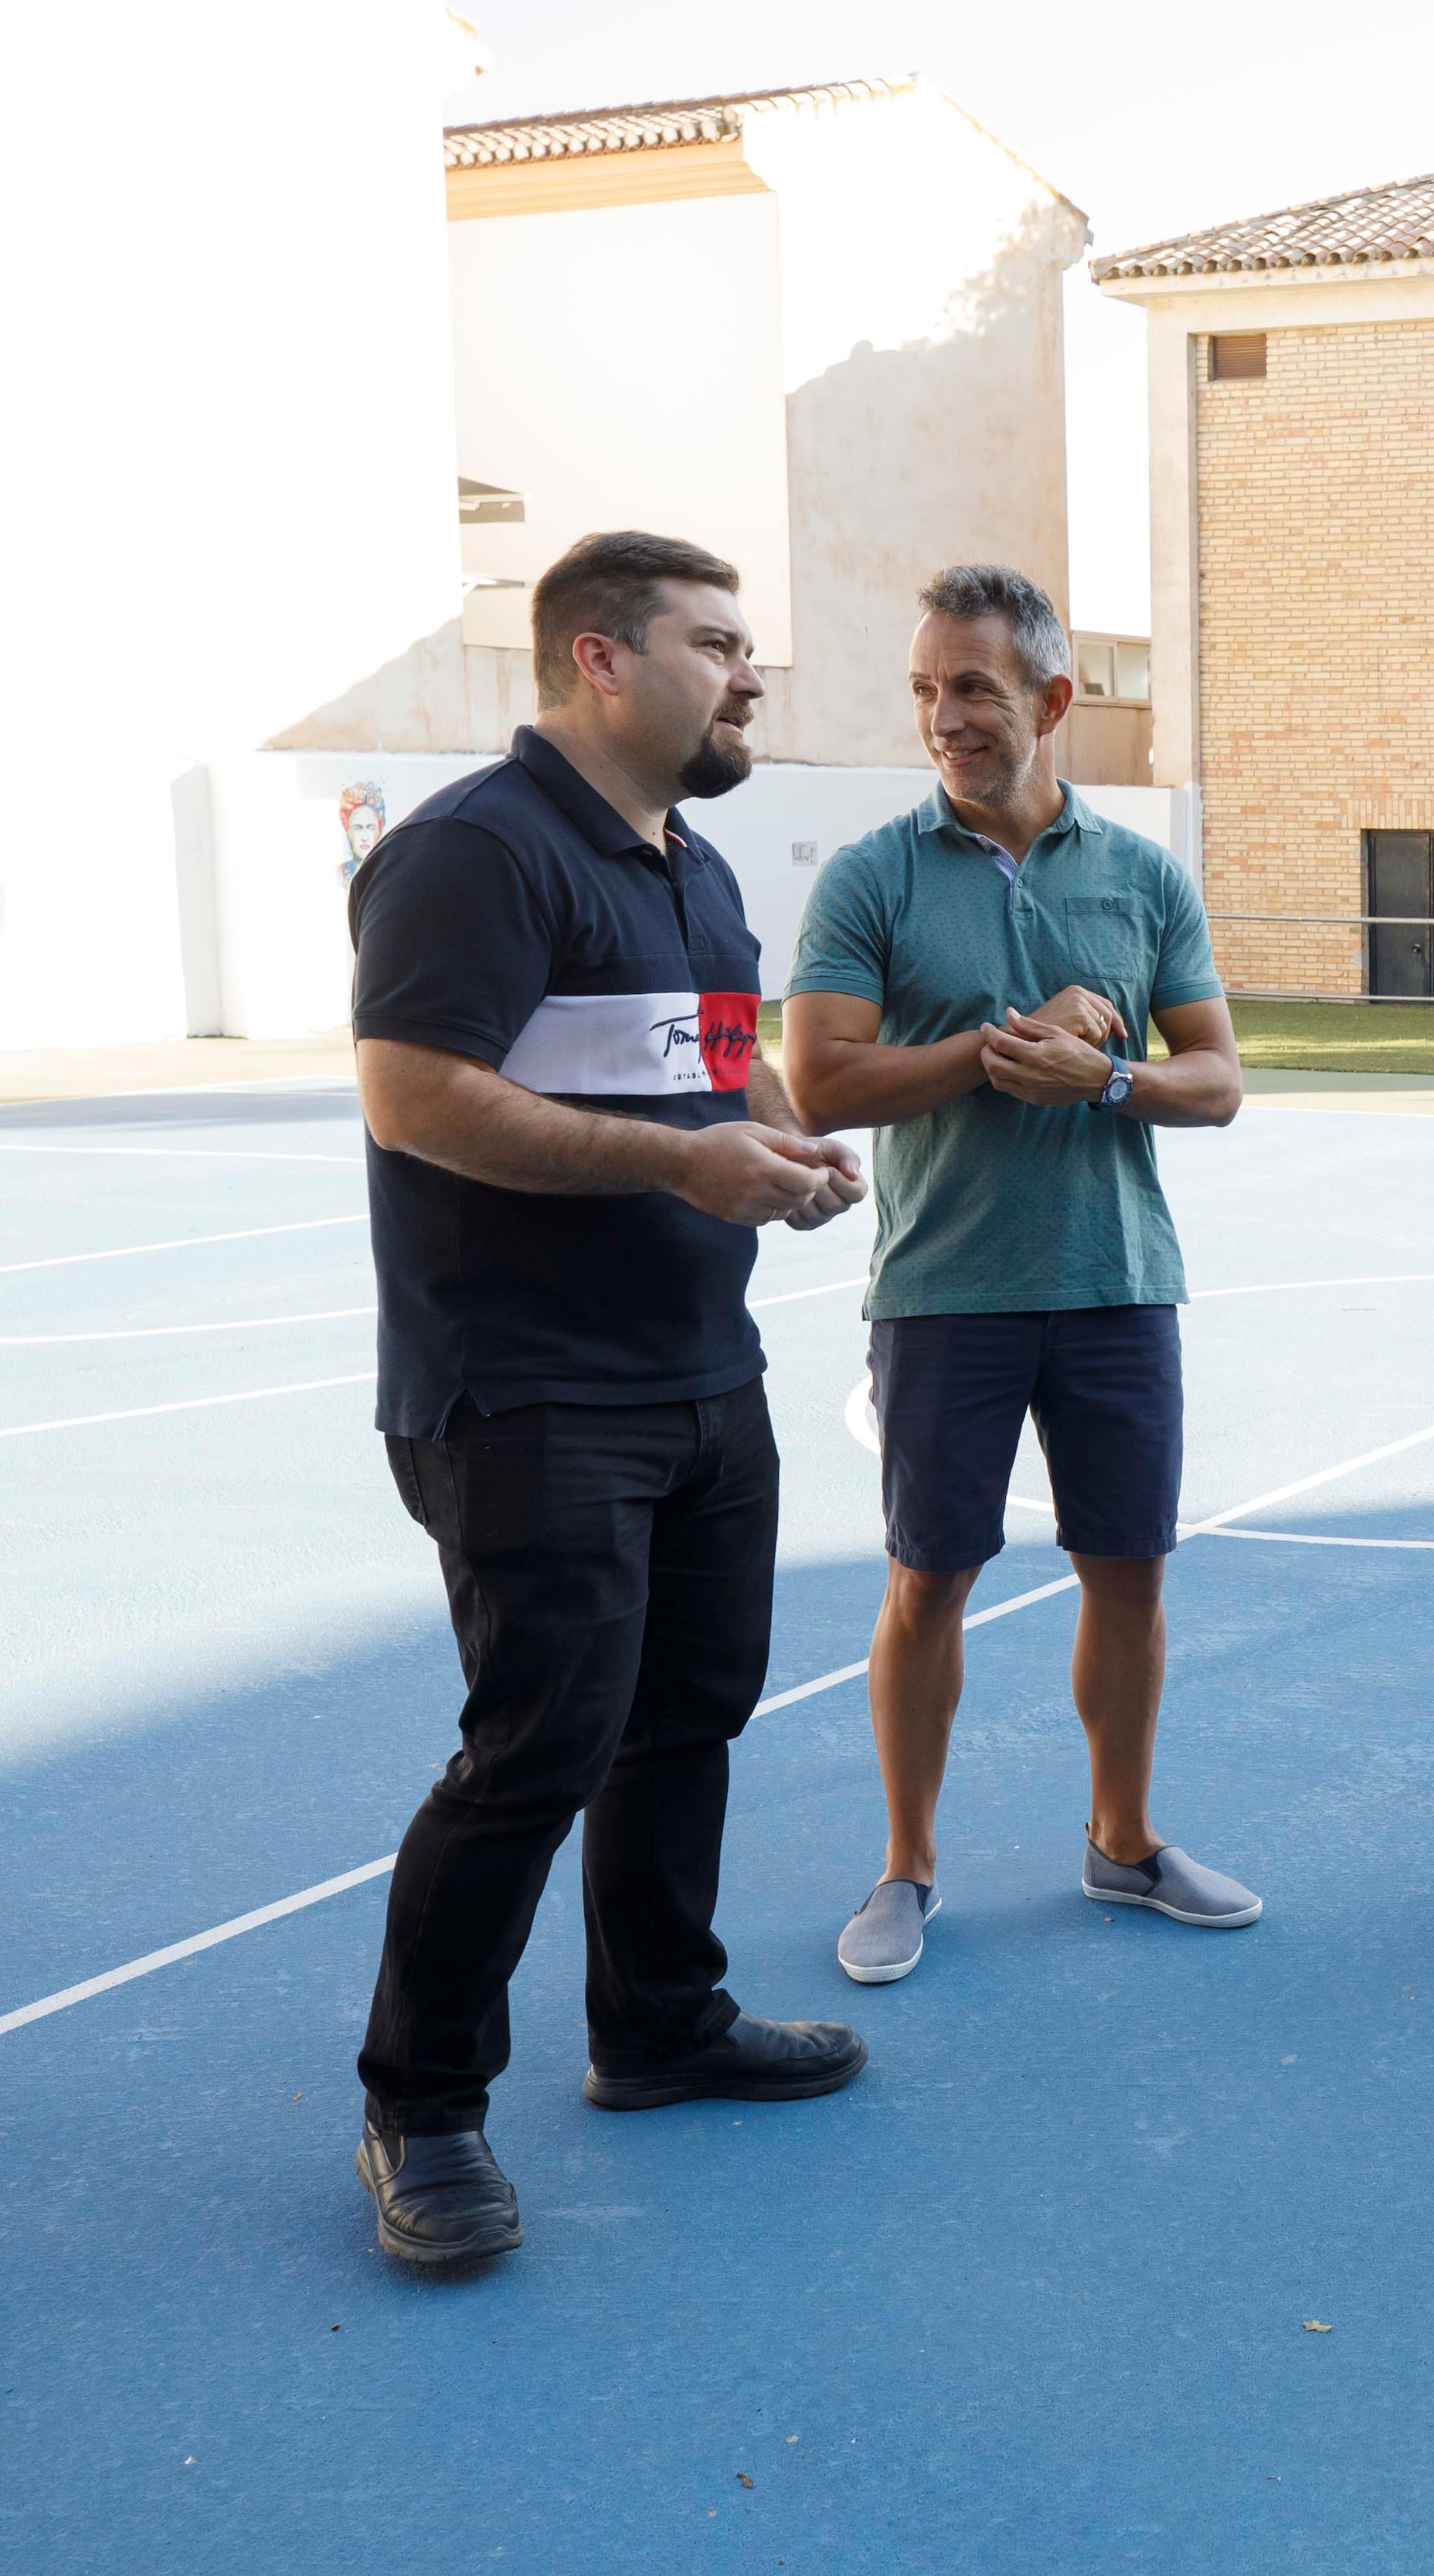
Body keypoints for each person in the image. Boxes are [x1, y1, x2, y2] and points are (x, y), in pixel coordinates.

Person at [345, 529, 875, 2268]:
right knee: (538, 1746)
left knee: (689, 1715)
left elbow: (722, 1060)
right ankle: (422, 2106)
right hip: (530, 1388)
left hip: (704, 1375)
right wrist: (691, 1170)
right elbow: (416, 1095)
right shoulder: (472, 856)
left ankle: (657, 2020)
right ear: (598, 657)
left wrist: (785, 1141)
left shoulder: (694, 866)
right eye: (717, 644)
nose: (749, 675)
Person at [781, 565, 1252, 1984]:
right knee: (928, 1582)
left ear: (1053, 700)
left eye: (973, 687)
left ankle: (1123, 1842)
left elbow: (1216, 1080)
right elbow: (819, 1080)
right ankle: (906, 1867)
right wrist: (1008, 1045)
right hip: (943, 1290)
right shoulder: (872, 873)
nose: (944, 716)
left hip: (1116, 1280)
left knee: (1129, 1574)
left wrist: (1102, 1075)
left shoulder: (1144, 874)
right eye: (926, 688)